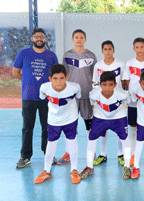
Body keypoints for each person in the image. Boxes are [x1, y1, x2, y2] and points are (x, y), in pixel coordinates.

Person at [12, 28, 58, 169]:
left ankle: (48, 155)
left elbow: (56, 76)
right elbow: (15, 72)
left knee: (47, 127)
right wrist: (27, 82)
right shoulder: (24, 53)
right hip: (28, 97)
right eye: (37, 36)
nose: (39, 39)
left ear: (45, 39)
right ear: (32, 38)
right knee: (27, 128)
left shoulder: (51, 56)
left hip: (46, 98)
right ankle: (25, 156)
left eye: (42, 37)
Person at [80, 71, 132, 179]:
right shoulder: (94, 94)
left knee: (125, 140)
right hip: (100, 119)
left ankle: (127, 166)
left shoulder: (122, 94)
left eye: (110, 85)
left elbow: (128, 101)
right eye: (104, 85)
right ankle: (89, 167)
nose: (107, 88)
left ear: (115, 85)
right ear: (100, 84)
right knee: (91, 139)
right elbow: (92, 103)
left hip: (118, 118)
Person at [34, 64, 81, 184]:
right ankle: (46, 170)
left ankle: (74, 170)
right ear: (50, 79)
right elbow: (42, 98)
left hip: (70, 119)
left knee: (72, 142)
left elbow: (79, 97)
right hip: (53, 120)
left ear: (66, 77)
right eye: (55, 78)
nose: (59, 82)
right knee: (51, 144)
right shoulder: (44, 88)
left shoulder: (75, 88)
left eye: (61, 78)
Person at [58, 29, 97, 165]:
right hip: (71, 96)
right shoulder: (67, 55)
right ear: (72, 39)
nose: (79, 39)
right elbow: (64, 74)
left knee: (88, 124)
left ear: (85, 39)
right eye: (76, 37)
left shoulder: (91, 55)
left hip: (86, 94)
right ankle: (68, 152)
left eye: (81, 37)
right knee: (70, 125)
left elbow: (93, 76)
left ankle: (92, 151)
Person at [92, 40, 129, 166]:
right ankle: (103, 154)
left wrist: (124, 97)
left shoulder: (120, 64)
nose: (108, 51)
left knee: (120, 130)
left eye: (110, 49)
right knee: (103, 130)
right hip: (103, 102)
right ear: (102, 51)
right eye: (105, 49)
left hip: (118, 102)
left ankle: (120, 154)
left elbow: (124, 81)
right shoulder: (98, 65)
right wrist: (98, 100)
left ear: (114, 50)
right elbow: (95, 84)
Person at [125, 37, 144, 166]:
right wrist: (131, 94)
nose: (139, 49)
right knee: (133, 126)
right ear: (133, 49)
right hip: (133, 101)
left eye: (141, 47)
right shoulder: (129, 63)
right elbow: (126, 80)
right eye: (137, 47)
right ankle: (133, 153)